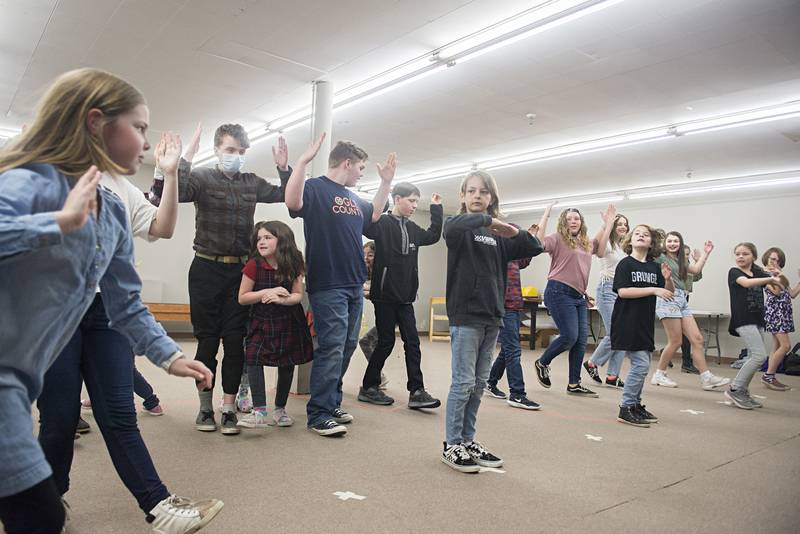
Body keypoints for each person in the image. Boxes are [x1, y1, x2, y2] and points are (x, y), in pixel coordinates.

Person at [0, 68, 220, 534]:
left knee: (35, 513)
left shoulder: (114, 207)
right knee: (36, 508)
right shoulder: (28, 182)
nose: (147, 143)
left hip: (14, 388)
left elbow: (125, 303)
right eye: (139, 127)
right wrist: (56, 222)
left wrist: (169, 357)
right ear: (97, 122)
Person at [149, 124, 292, 435]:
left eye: (241, 152)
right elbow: (161, 196)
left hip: (240, 272)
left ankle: (228, 407)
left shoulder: (251, 182)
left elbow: (286, 194)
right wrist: (181, 160)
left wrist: (284, 168)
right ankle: (204, 408)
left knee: (235, 341)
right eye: (230, 151)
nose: (236, 157)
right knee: (208, 341)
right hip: (205, 270)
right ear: (216, 150)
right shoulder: (200, 178)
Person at [286, 134, 395, 436]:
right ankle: (318, 413)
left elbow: (373, 214)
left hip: (353, 283)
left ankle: (331, 401)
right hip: (328, 282)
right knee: (331, 347)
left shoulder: (352, 199)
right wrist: (301, 163)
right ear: (347, 163)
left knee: (346, 346)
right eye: (360, 168)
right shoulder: (316, 188)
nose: (362, 173)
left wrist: (385, 183)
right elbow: (292, 202)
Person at [441, 170, 543, 473]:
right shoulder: (458, 228)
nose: (476, 196)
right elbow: (452, 226)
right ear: (462, 196)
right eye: (471, 191)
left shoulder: (500, 236)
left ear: (491, 197)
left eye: (483, 192)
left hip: (493, 314)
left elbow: (534, 246)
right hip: (466, 315)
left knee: (479, 384)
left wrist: (509, 230)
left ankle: (468, 440)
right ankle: (451, 444)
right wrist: (490, 220)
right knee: (463, 383)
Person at [359, 182, 443, 409]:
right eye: (411, 201)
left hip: (406, 297)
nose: (415, 205)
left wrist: (437, 208)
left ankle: (417, 391)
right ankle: (369, 386)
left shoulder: (414, 228)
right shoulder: (383, 225)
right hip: (384, 296)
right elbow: (366, 226)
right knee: (385, 342)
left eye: (417, 201)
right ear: (397, 199)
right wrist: (383, 188)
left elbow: (433, 236)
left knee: (413, 343)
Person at [532, 203, 615, 397]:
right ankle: (542, 362)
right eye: (568, 219)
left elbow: (601, 251)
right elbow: (538, 244)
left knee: (579, 341)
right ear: (563, 222)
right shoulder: (557, 239)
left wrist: (608, 224)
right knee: (570, 336)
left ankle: (574, 383)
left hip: (579, 296)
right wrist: (546, 214)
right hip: (558, 291)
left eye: (576, 218)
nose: (573, 221)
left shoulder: (586, 242)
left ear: (581, 221)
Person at [237, 221, 313, 428]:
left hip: (289, 318)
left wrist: (282, 299)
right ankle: (259, 410)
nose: (261, 241)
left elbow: (297, 295)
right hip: (261, 319)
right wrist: (265, 293)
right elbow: (243, 298)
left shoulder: (295, 261)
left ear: (282, 239)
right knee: (252, 358)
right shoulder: (254, 264)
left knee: (287, 362)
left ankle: (280, 409)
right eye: (259, 238)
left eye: (267, 237)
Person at [650, 231, 729, 391]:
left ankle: (706, 378)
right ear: (665, 243)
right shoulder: (661, 257)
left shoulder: (681, 261)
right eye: (670, 241)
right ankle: (659, 374)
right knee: (676, 341)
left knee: (697, 339)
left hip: (682, 300)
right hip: (669, 298)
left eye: (676, 241)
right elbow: (650, 250)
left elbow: (696, 269)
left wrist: (705, 254)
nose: (672, 244)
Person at [612, 225, 672, 427]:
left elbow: (667, 292)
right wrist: (653, 289)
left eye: (645, 235)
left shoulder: (655, 267)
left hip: (645, 323)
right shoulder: (625, 264)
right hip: (626, 321)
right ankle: (626, 407)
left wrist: (667, 280)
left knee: (643, 366)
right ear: (630, 240)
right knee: (641, 365)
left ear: (651, 243)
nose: (641, 236)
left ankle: (636, 405)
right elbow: (623, 292)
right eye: (637, 233)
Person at [484, 225, 539, 410]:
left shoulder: (515, 257)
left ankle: (490, 382)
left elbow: (527, 257)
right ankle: (517, 394)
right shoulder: (496, 254)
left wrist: (530, 236)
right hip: (503, 307)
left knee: (507, 349)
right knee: (514, 350)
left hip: (515, 306)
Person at [724, 243, 784, 409]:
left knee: (753, 357)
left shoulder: (758, 272)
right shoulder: (734, 272)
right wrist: (770, 278)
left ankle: (742, 391)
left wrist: (778, 276)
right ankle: (735, 388)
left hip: (758, 319)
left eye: (745, 254)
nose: (740, 257)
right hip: (743, 319)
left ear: (753, 256)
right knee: (759, 356)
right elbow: (746, 283)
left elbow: (776, 291)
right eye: (738, 254)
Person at [583, 213, 629, 388]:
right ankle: (592, 363)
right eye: (619, 224)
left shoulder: (623, 247)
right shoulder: (607, 243)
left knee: (621, 334)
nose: (623, 227)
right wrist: (607, 224)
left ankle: (612, 376)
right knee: (616, 333)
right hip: (606, 290)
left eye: (625, 224)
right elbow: (599, 251)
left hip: (620, 292)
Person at [760, 247, 799, 391]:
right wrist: (778, 275)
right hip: (775, 313)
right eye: (773, 259)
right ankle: (768, 375)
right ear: (767, 259)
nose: (776, 262)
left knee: (776, 347)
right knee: (786, 346)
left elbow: (792, 294)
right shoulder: (765, 274)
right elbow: (776, 291)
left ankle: (770, 376)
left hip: (784, 312)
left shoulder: (778, 274)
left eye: (778, 260)